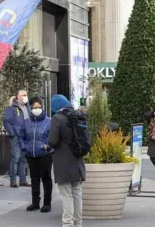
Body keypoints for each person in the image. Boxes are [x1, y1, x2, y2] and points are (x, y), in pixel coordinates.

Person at [48, 94, 85, 227]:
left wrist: (47, 146)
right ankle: (78, 223)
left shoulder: (57, 118)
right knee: (77, 194)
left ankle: (67, 224)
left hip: (63, 163)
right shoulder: (78, 116)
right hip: (78, 162)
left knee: (66, 195)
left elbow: (52, 141)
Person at [19, 97, 53, 213]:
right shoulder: (26, 122)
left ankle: (47, 203)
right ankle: (35, 203)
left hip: (45, 154)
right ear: (31, 108)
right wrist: (24, 147)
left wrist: (47, 147)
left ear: (42, 108)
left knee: (46, 178)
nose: (37, 109)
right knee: (34, 178)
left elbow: (53, 137)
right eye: (34, 107)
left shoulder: (49, 121)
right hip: (30, 154)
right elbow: (21, 136)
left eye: (39, 107)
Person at [3, 90, 30, 188]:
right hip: (17, 136)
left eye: (26, 95)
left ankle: (23, 180)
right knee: (16, 158)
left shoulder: (27, 106)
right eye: (23, 95)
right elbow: (6, 121)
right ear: (17, 96)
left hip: (26, 136)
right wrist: (13, 134)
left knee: (23, 159)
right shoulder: (12, 108)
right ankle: (13, 180)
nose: (25, 96)